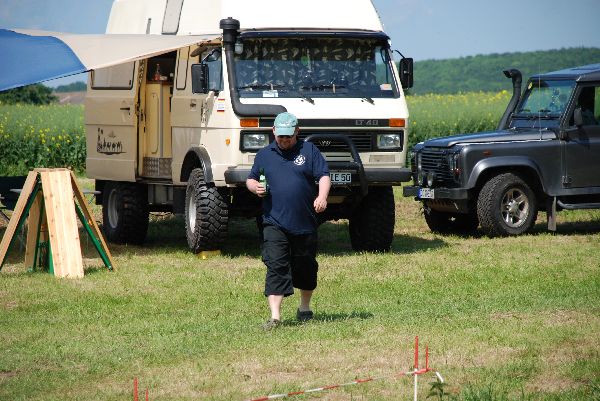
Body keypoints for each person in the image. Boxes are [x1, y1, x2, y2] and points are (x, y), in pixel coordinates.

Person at [246, 112, 331, 330]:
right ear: (273, 131)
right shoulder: (264, 154)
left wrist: (322, 196)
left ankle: (304, 308)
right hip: (274, 220)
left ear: (297, 132)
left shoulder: (309, 151)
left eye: (288, 136)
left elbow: (323, 175)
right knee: (276, 265)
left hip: (304, 221)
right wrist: (254, 187)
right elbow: (251, 178)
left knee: (305, 266)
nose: (284, 140)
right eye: (280, 136)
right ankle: (275, 317)